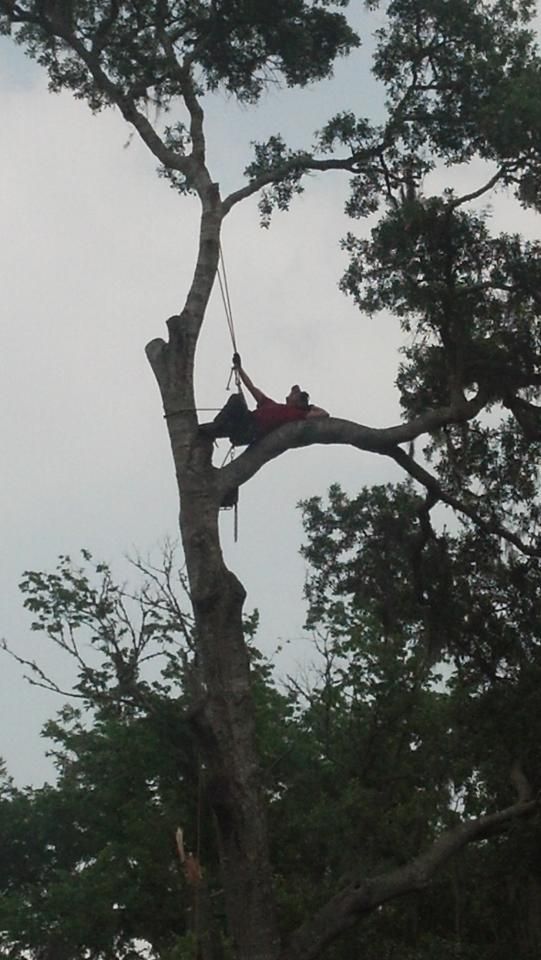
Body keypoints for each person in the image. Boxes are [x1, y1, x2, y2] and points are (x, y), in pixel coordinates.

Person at [199, 354, 329, 445]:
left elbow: (324, 414)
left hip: (252, 429)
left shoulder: (298, 414)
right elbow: (251, 387)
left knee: (237, 400)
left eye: (296, 394)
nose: (294, 393)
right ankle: (211, 430)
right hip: (245, 422)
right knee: (235, 402)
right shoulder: (271, 404)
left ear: (299, 403)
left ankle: (216, 428)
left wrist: (309, 406)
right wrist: (239, 367)